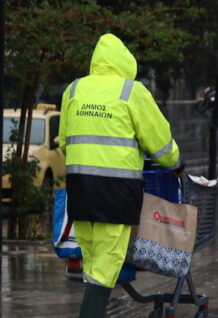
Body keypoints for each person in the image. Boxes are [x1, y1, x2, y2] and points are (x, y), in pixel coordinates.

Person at [59, 33, 183, 318]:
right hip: (115, 192)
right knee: (107, 263)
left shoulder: (74, 90)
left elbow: (65, 141)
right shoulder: (131, 91)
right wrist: (176, 162)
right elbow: (159, 140)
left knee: (92, 261)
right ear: (125, 62)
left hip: (79, 191)